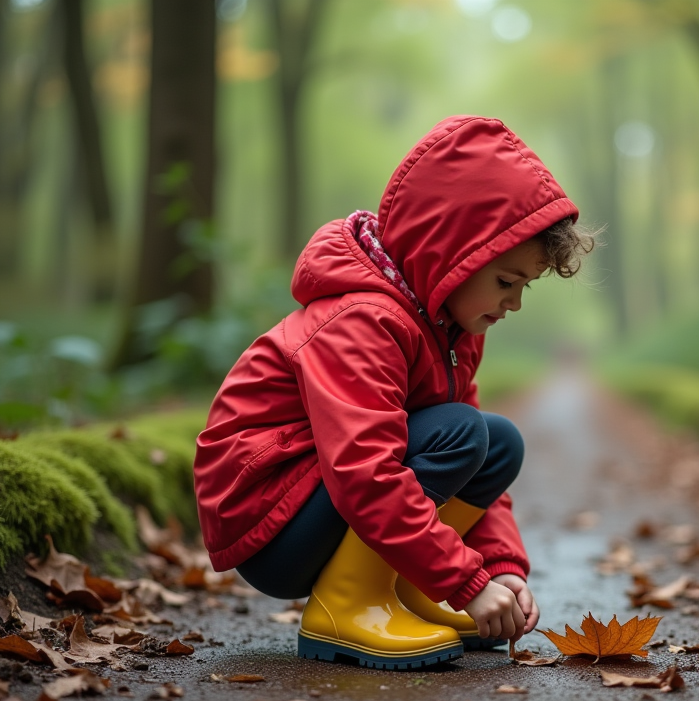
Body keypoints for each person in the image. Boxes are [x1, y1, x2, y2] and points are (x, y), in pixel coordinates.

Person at [193, 116, 594, 670]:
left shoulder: (449, 328)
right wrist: (465, 581)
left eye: (525, 286)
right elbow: (364, 469)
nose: (515, 304)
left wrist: (499, 565)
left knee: (497, 442)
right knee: (460, 433)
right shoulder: (362, 320)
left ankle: (404, 590)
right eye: (505, 281)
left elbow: (473, 472)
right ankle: (350, 604)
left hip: (321, 498)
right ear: (452, 254)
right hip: (270, 520)